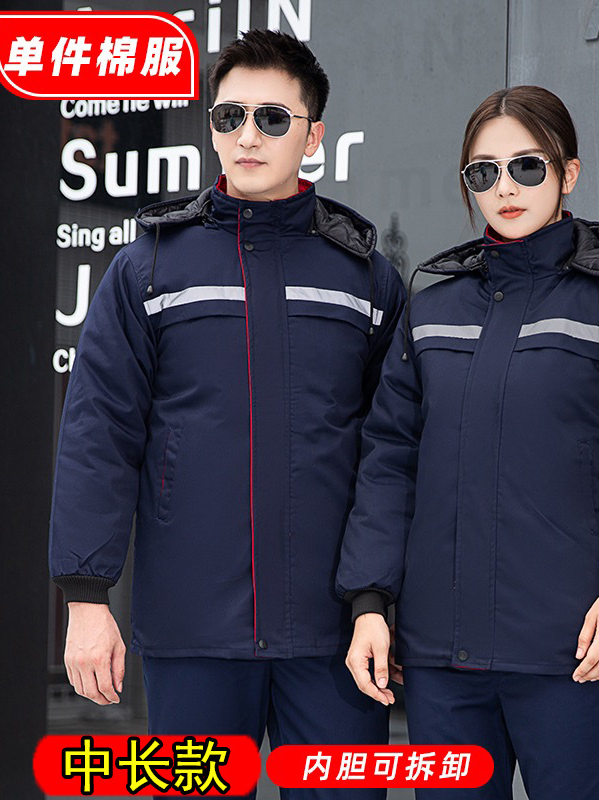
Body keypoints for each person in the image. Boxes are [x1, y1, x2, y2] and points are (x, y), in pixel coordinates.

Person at [48, 29, 405, 800]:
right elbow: (99, 433)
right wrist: (85, 595)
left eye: (273, 119)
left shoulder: (366, 279)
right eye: (229, 116)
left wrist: (375, 599)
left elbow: (392, 454)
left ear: (314, 136)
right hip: (194, 628)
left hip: (331, 634)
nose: (248, 136)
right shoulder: (147, 269)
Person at [336, 85, 599, 799]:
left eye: (527, 167)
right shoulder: (432, 310)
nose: (504, 188)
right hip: (442, 660)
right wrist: (369, 601)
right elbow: (389, 460)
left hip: (568, 651)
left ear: (569, 173)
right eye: (483, 172)